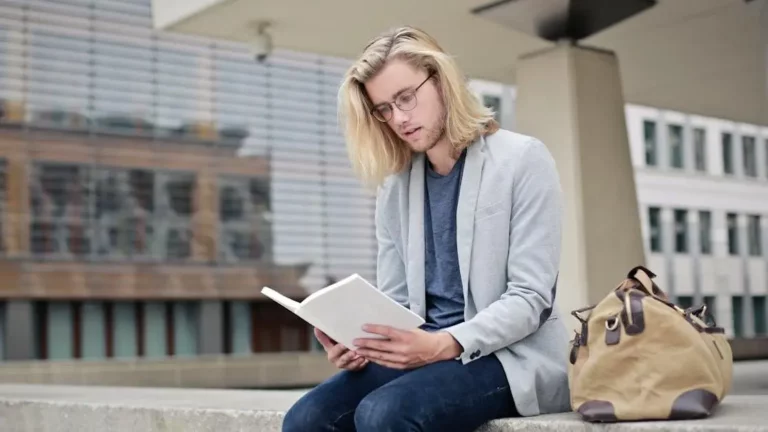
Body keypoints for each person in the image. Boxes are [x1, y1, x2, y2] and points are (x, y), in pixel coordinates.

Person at [282, 25, 571, 432]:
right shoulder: (395, 186)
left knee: (385, 414)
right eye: (384, 108)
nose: (398, 118)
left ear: (440, 81)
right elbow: (397, 300)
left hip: (508, 356)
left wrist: (443, 344)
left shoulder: (522, 159)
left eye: (405, 98)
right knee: (306, 419)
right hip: (423, 350)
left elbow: (531, 299)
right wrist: (363, 343)